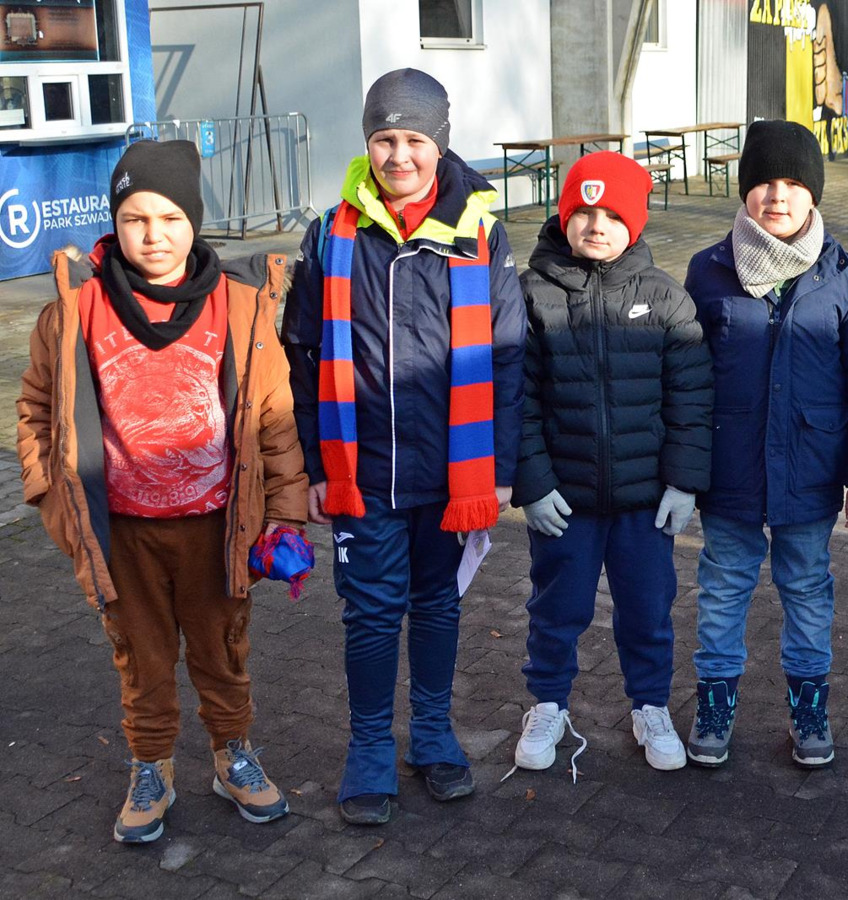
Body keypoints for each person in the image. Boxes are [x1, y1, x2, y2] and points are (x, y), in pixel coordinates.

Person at [16, 139, 307, 843]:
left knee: (221, 651)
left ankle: (232, 755)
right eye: (136, 219)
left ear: (194, 221)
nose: (154, 235)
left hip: (216, 526)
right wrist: (55, 505)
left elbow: (273, 418)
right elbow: (36, 411)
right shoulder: (76, 309)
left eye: (171, 218)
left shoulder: (238, 306)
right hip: (123, 532)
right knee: (140, 659)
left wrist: (285, 515)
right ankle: (151, 765)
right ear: (114, 223)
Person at [282, 69, 526, 825]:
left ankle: (432, 734)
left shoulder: (480, 230)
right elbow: (301, 354)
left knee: (437, 604)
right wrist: (316, 464)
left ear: (440, 143)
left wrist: (501, 467)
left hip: (453, 468)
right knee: (369, 612)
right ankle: (367, 749)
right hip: (363, 467)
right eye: (383, 139)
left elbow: (510, 355)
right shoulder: (331, 232)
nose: (398, 156)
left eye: (414, 139)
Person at [510, 151, 713, 775]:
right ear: (563, 216)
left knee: (648, 610)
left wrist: (683, 482)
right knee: (557, 608)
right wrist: (532, 484)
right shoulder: (531, 295)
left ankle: (650, 705)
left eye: (613, 216)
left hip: (643, 501)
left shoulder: (665, 297)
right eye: (584, 212)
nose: (597, 226)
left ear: (636, 223)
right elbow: (516, 398)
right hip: (564, 499)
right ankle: (548, 703)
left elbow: (691, 397)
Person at [683, 120, 848, 768]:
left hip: (810, 469)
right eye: (765, 181)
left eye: (793, 182)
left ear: (813, 192)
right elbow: (687, 376)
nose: (778, 195)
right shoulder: (708, 271)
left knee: (808, 589)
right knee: (722, 588)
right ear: (745, 190)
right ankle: (714, 704)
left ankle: (809, 707)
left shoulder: (843, 275)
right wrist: (684, 467)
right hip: (730, 466)